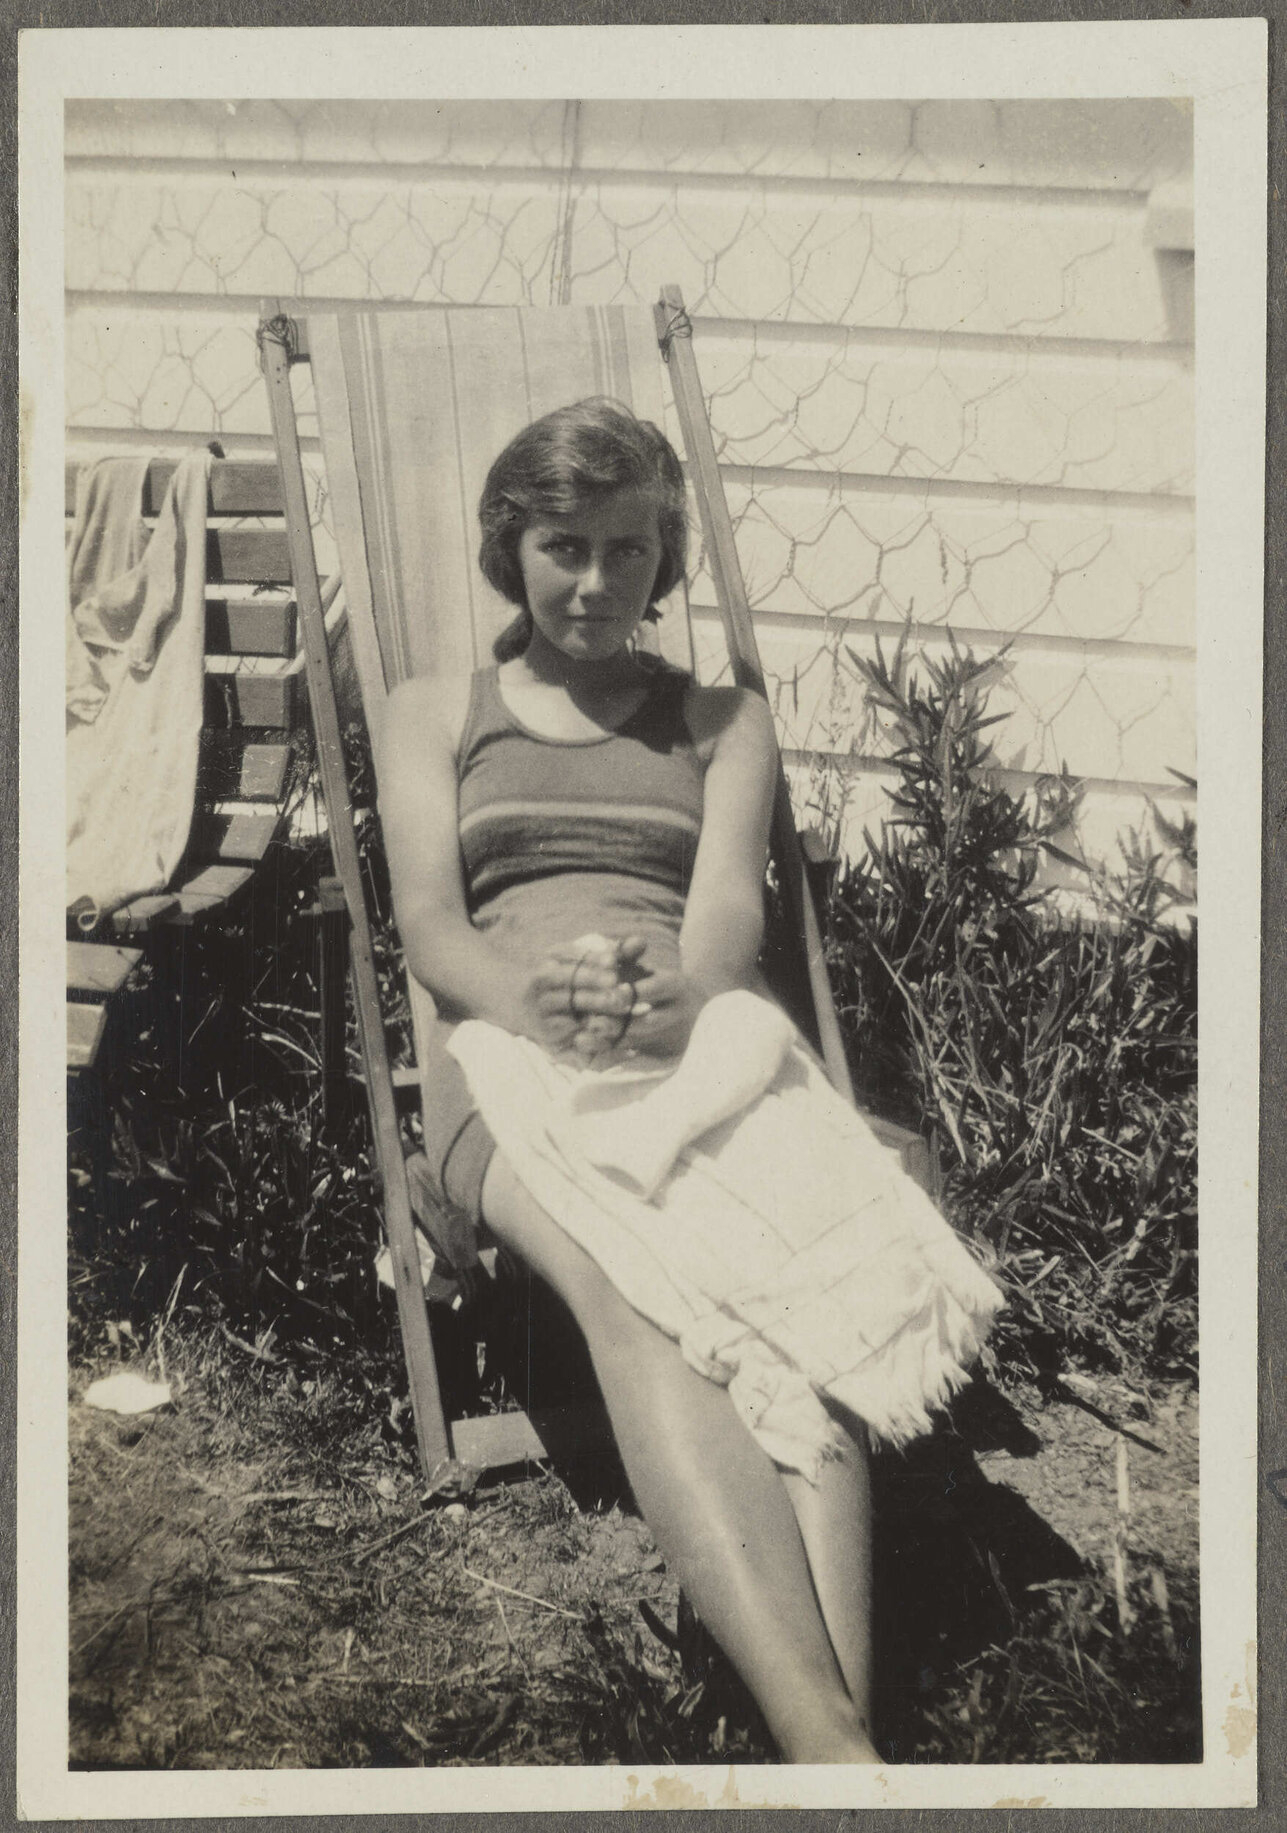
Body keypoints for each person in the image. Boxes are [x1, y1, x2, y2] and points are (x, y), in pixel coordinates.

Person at [377, 398, 1000, 1765]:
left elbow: (721, 916)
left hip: (693, 1032)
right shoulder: (433, 710)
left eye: (628, 548)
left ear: (667, 558)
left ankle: (831, 1740)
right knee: (637, 1295)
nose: (596, 582)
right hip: (506, 1046)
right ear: (510, 547)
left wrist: (683, 992)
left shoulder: (723, 721)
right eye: (563, 547)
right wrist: (534, 998)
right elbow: (431, 925)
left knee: (785, 1295)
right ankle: (830, 1740)